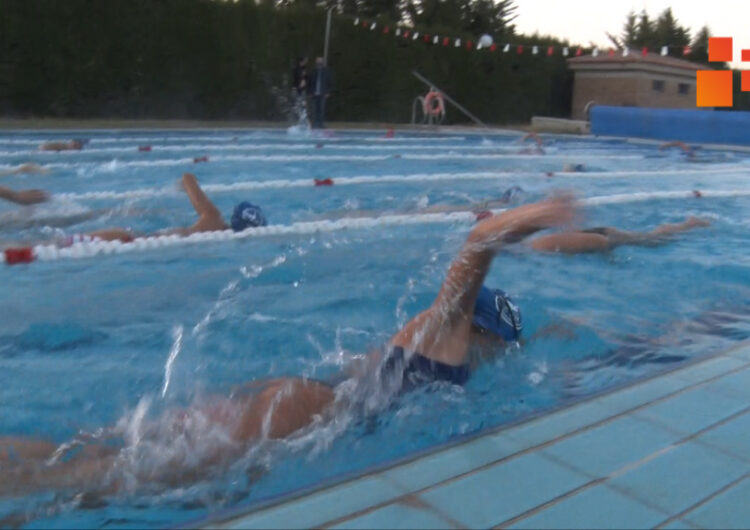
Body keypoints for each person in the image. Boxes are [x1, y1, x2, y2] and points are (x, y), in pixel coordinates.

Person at [0, 195, 576, 497]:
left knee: (92, 451)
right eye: (503, 345)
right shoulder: (445, 334)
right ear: (485, 333)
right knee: (92, 482)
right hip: (303, 411)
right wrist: (540, 215)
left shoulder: (428, 346)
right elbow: (477, 244)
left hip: (296, 398)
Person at [10, 173, 267, 245]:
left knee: (44, 244)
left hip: (125, 236)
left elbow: (187, 177)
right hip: (128, 238)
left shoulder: (213, 218)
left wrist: (191, 182)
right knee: (44, 244)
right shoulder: (219, 235)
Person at [530, 216, 710, 254]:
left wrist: (611, 261)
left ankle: (689, 224)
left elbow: (597, 241)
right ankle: (684, 225)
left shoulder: (540, 247)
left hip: (606, 237)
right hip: (601, 233)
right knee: (650, 238)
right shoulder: (536, 246)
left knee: (653, 240)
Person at [309, 56, 331, 129]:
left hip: (322, 93)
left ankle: (321, 124)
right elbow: (311, 82)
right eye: (318, 61)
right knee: (314, 110)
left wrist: (328, 92)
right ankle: (314, 124)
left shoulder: (326, 71)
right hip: (314, 93)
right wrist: (310, 92)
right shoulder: (313, 71)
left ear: (322, 63)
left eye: (320, 62)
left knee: (321, 110)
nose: (319, 63)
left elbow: (329, 82)